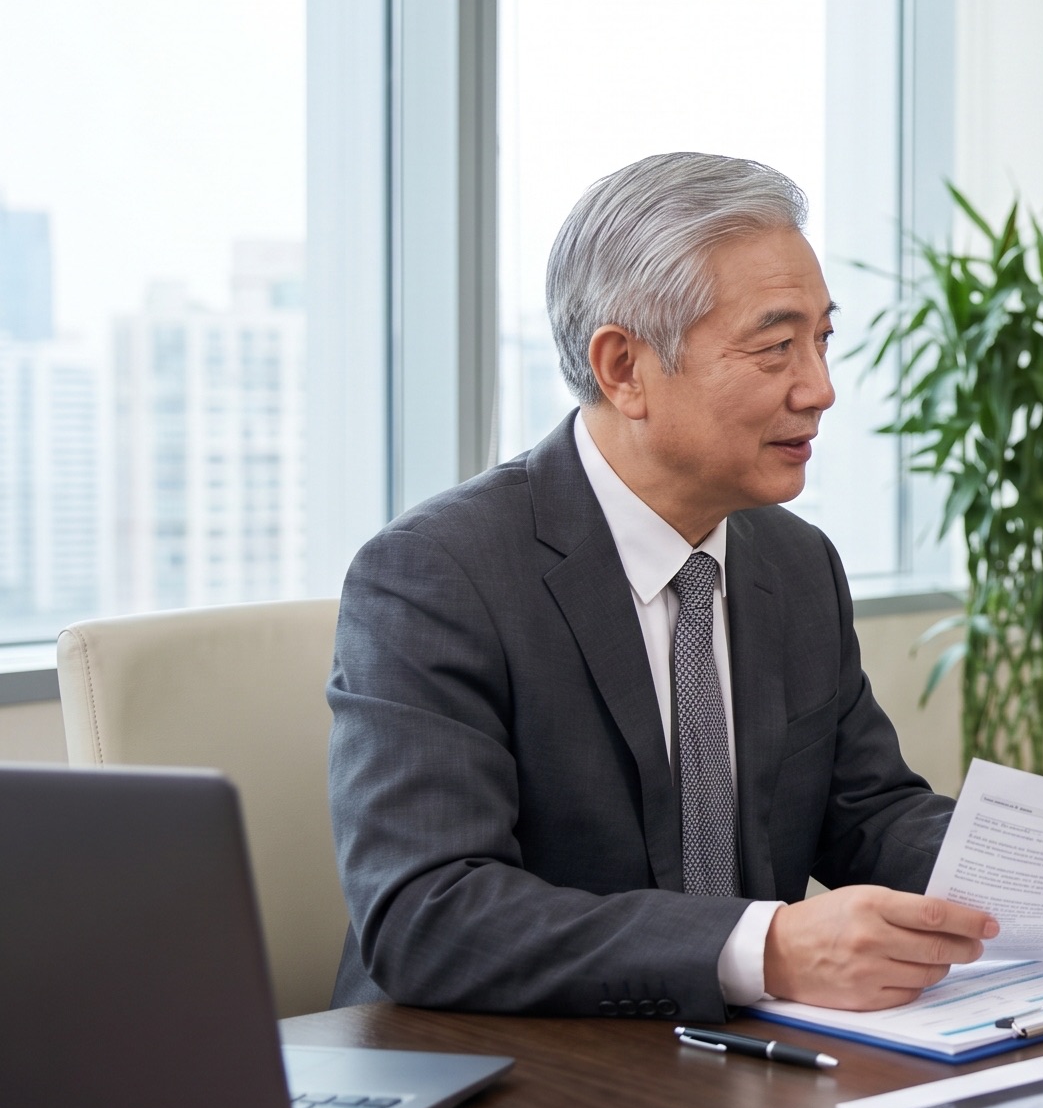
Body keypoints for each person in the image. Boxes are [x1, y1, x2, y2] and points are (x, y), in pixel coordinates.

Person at [328, 152, 996, 1021]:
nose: (821, 389)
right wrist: (768, 949)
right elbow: (429, 914)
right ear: (623, 368)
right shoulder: (436, 575)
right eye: (774, 347)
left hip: (728, 1075)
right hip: (489, 1076)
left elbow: (869, 814)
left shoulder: (796, 563)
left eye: (823, 340)